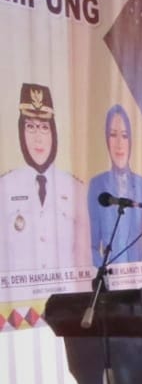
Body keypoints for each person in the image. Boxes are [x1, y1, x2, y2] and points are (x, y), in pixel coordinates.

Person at [1, 83, 90, 273]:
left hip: (65, 300)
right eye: (30, 127)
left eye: (44, 127)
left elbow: (84, 261)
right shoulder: (5, 187)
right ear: (21, 133)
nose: (38, 138)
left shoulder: (75, 188)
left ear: (53, 133)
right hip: (19, 300)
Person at [87, 105, 142, 265]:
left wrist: (140, 270)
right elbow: (91, 246)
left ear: (131, 141)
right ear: (107, 140)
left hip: (137, 281)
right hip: (109, 283)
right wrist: (104, 275)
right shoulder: (97, 185)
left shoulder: (141, 184)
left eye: (124, 136)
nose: (119, 144)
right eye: (113, 135)